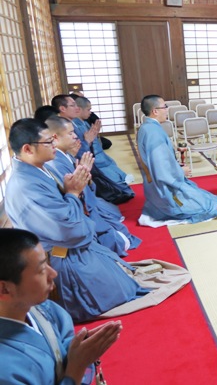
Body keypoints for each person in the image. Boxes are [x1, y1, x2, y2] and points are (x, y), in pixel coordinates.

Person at [5, 118, 148, 322]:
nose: (54, 144)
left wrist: (76, 189)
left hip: (72, 244)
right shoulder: (26, 186)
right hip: (61, 255)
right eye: (48, 142)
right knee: (119, 292)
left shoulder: (40, 169)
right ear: (28, 149)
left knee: (125, 280)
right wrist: (73, 193)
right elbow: (68, 228)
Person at [0, 228, 122, 385]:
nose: (53, 274)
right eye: (41, 269)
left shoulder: (46, 309)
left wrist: (80, 348)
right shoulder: (4, 370)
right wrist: (76, 369)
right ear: (4, 289)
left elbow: (60, 347)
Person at [45, 115, 141, 257]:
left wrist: (86, 177)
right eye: (70, 133)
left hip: (89, 204)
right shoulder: (56, 163)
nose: (75, 136)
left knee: (121, 230)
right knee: (120, 240)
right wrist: (84, 175)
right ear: (55, 137)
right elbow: (76, 196)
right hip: (83, 215)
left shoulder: (65, 155)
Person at [137, 94, 217, 225]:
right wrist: (180, 171)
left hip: (154, 186)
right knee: (209, 206)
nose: (167, 110)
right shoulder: (153, 132)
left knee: (207, 197)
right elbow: (161, 169)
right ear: (155, 111)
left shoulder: (146, 127)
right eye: (164, 107)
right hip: (165, 190)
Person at [52, 93, 134, 205]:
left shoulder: (74, 123)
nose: (77, 108)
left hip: (88, 161)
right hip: (81, 166)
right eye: (73, 105)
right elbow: (77, 152)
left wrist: (90, 140)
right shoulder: (62, 127)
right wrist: (87, 142)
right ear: (62, 108)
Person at [74, 96, 134, 185]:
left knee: (111, 164)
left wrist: (95, 135)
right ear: (79, 109)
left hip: (97, 153)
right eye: (88, 110)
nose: (90, 112)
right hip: (92, 157)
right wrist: (88, 141)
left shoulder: (84, 122)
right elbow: (81, 147)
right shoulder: (75, 126)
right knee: (113, 178)